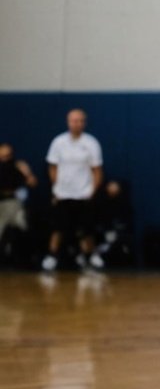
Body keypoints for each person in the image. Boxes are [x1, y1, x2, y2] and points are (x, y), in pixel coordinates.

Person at [43, 109, 103, 272]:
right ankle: (52, 256)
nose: (77, 124)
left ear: (85, 123)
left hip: (83, 194)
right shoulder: (58, 142)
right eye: (74, 121)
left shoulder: (91, 143)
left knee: (86, 228)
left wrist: (92, 191)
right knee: (58, 227)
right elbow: (52, 167)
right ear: (68, 122)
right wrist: (57, 187)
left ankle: (89, 256)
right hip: (63, 194)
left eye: (80, 121)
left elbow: (97, 170)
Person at [0, 144, 35, 266]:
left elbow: (32, 183)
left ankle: (24, 260)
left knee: (22, 227)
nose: (5, 159)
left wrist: (26, 172)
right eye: (2, 156)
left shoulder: (17, 166)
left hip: (14, 203)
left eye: (7, 156)